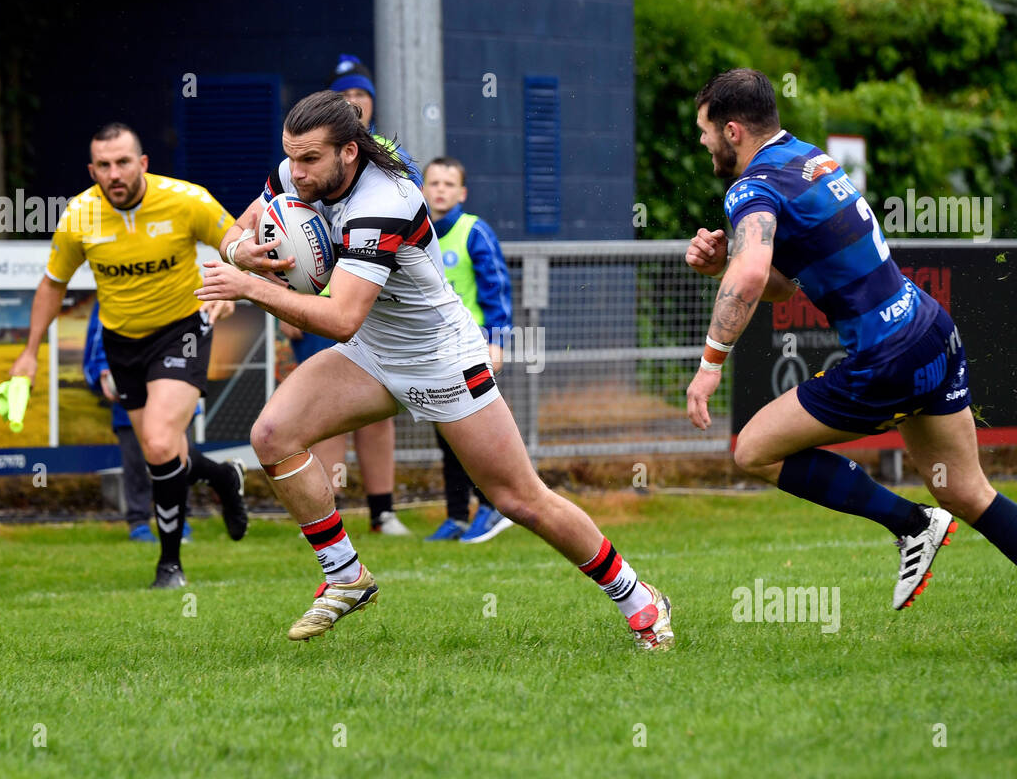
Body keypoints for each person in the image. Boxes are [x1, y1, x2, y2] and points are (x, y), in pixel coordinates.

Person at [197, 90, 674, 649]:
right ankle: (345, 575)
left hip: (441, 359)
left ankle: (640, 599)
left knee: (519, 499)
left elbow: (343, 317)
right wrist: (239, 253)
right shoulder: (298, 169)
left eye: (309, 161)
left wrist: (252, 288)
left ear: (349, 152)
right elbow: (247, 222)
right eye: (291, 158)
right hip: (374, 355)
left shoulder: (385, 200)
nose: (295, 174)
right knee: (273, 435)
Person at [684, 68, 1017, 654]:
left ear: (732, 129)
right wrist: (729, 263)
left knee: (753, 449)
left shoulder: (751, 188)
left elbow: (752, 271)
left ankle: (910, 524)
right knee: (967, 491)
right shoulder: (806, 159)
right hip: (929, 329)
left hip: (885, 357)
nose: (703, 142)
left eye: (705, 131)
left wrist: (712, 359)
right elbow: (781, 284)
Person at [10, 122, 248, 588]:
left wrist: (229, 284)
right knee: (163, 450)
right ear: (92, 169)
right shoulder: (79, 215)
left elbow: (237, 240)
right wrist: (29, 352)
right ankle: (222, 477)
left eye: (123, 162)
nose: (114, 173)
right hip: (122, 342)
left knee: (159, 443)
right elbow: (52, 285)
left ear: (142, 163)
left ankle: (170, 565)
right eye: (104, 165)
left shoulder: (186, 200)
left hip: (182, 329)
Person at [274, 54, 422, 536]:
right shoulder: (308, 160)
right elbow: (272, 224)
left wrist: (251, 287)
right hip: (320, 304)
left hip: (375, 310)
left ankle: (383, 510)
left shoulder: (386, 169)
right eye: (346, 97)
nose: (355, 103)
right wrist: (278, 288)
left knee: (376, 416)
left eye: (362, 95)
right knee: (318, 415)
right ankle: (329, 511)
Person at [421, 156, 515, 543]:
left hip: (472, 348)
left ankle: (493, 508)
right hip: (432, 351)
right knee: (446, 437)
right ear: (423, 190)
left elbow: (497, 291)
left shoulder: (474, 231)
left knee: (476, 436)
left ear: (462, 193)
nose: (440, 189)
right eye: (434, 183)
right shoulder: (417, 233)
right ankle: (457, 515)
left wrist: (498, 343)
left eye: (448, 183)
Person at [83, 299, 193, 544]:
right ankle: (139, 522)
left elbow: (193, 335)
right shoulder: (114, 290)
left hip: (173, 390)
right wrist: (102, 370)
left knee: (178, 458)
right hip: (130, 391)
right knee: (136, 462)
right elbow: (98, 334)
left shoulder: (178, 286)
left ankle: (179, 520)